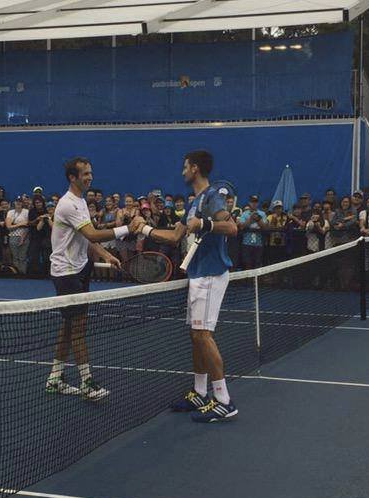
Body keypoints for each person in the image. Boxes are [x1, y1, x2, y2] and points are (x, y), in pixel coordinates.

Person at [133, 150, 239, 422]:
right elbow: (174, 236)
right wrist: (144, 229)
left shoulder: (213, 196)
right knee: (196, 335)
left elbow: (232, 228)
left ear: (195, 168)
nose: (182, 172)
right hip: (197, 274)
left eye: (185, 167)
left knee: (203, 335)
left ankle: (224, 400)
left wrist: (204, 223)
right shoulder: (195, 202)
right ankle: (199, 392)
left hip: (211, 274)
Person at [45, 157, 132, 402]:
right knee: (79, 329)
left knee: (69, 326)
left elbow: (87, 239)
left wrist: (106, 254)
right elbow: (92, 232)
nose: (90, 177)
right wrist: (128, 229)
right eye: (84, 174)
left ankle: (55, 378)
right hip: (66, 274)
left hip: (80, 269)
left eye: (90, 173)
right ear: (72, 177)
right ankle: (87, 382)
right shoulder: (68, 204)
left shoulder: (81, 201)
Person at [238, 195, 265, 269]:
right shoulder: (244, 214)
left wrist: (258, 219)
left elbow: (265, 227)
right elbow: (241, 226)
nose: (254, 204)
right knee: (247, 264)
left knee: (258, 264)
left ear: (258, 203)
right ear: (249, 203)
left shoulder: (262, 214)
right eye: (252, 202)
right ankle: (248, 280)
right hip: (246, 243)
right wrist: (251, 218)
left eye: (256, 202)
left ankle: (256, 280)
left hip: (258, 243)